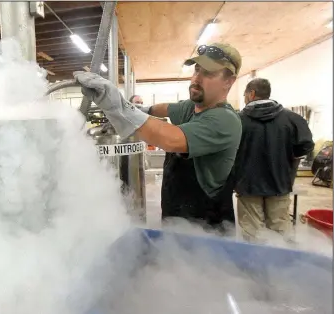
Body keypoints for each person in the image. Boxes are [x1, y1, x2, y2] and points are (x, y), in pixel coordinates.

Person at [74, 43, 242, 230]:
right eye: (196, 70)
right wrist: (143, 109)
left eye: (208, 73)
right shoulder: (193, 107)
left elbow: (170, 139)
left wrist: (121, 107)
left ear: (229, 81)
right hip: (176, 220)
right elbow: (168, 107)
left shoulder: (224, 120)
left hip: (206, 232)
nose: (196, 79)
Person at [234, 78, 314, 241]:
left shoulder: (237, 121)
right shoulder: (293, 119)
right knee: (280, 230)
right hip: (280, 185)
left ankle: (253, 265)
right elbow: (305, 147)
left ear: (252, 94)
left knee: (251, 232)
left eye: (244, 95)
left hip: (248, 186)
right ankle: (280, 264)